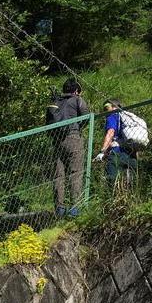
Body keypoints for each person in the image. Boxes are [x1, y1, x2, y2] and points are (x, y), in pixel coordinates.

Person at [49, 79, 90, 218]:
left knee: (59, 175)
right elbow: (86, 118)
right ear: (76, 91)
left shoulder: (56, 101)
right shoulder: (77, 100)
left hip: (56, 140)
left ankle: (59, 209)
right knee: (76, 173)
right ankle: (75, 209)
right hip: (73, 137)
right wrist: (78, 129)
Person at [94, 99, 138, 186]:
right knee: (130, 184)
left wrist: (102, 151)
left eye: (106, 107)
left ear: (113, 107)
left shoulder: (112, 116)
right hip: (131, 154)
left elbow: (111, 132)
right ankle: (129, 198)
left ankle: (111, 198)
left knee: (111, 181)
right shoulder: (128, 119)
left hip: (117, 153)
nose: (105, 111)